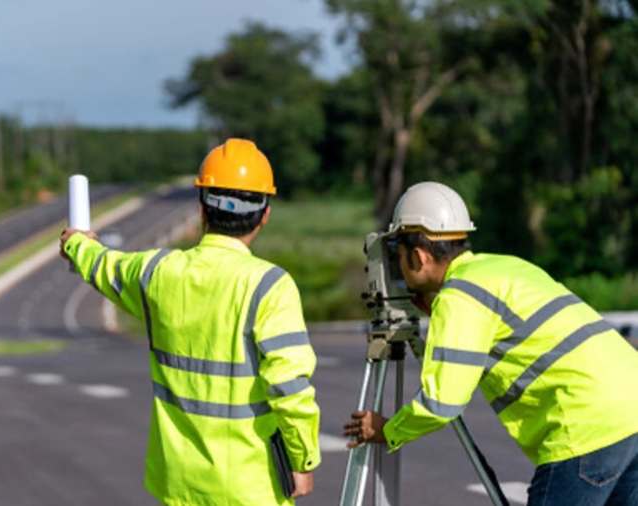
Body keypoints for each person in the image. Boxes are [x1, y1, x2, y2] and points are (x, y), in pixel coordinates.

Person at [59, 138, 320, 505]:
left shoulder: (157, 272)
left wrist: (76, 244)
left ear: (201, 208)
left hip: (178, 485)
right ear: (265, 214)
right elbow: (288, 387)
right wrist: (302, 459)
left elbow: (105, 265)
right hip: (250, 489)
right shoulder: (270, 287)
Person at [344, 181, 638, 505]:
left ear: (418, 256)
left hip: (585, 428)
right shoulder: (502, 267)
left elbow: (442, 403)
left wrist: (388, 430)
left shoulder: (459, 298)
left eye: (397, 255)